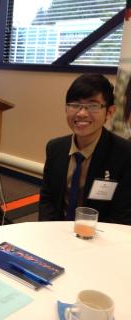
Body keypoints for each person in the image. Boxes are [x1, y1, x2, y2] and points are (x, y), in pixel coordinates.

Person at [39, 74, 131, 225]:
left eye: (93, 106)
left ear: (109, 112)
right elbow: (47, 199)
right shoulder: (55, 147)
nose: (81, 113)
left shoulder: (124, 154)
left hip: (101, 238)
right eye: (75, 105)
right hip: (56, 233)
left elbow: (122, 215)